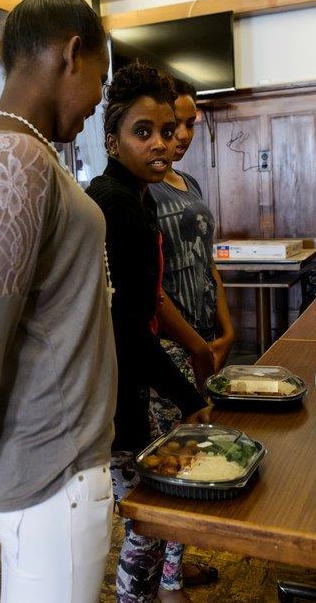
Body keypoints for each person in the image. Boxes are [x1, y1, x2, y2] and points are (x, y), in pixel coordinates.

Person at [0, 0, 116, 603]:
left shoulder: (24, 153)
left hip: (52, 467)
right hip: (51, 473)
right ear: (72, 52)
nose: (99, 96)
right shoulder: (15, 158)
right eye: (100, 75)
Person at [86, 61, 211, 603]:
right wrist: (188, 397)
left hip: (120, 383)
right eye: (144, 133)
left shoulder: (131, 196)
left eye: (166, 131)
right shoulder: (117, 206)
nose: (160, 144)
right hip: (113, 392)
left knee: (149, 518)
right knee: (148, 522)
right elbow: (129, 330)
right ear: (112, 140)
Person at [147, 78, 234, 595]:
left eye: (187, 125)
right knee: (172, 461)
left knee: (194, 453)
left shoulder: (190, 185)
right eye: (170, 124)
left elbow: (207, 263)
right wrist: (197, 345)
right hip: (169, 345)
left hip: (205, 338)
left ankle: (176, 566)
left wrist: (225, 330)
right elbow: (149, 286)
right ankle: (165, 575)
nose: (181, 135)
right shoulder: (143, 190)